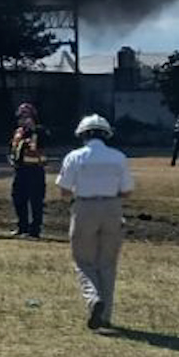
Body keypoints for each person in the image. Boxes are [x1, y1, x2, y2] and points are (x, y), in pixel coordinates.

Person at [57, 114, 134, 331]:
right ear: (106, 134)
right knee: (107, 264)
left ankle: (93, 299)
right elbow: (127, 190)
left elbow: (63, 190)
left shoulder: (75, 156)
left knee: (84, 261)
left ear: (83, 135)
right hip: (112, 208)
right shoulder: (118, 157)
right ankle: (106, 316)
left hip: (84, 208)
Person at [9, 104, 50, 239]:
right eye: (21, 117)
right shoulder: (18, 132)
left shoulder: (40, 131)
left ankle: (35, 230)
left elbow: (45, 141)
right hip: (20, 170)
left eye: (26, 116)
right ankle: (22, 227)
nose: (23, 119)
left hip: (35, 170)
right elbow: (15, 149)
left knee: (36, 201)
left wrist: (33, 130)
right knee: (18, 199)